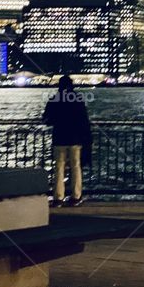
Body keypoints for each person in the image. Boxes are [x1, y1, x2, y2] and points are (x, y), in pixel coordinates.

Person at [42, 75, 92, 207]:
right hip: (75, 138)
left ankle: (58, 198)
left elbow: (46, 118)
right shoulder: (78, 99)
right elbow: (84, 120)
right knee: (76, 166)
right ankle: (76, 196)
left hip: (60, 137)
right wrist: (86, 137)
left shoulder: (55, 99)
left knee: (59, 167)